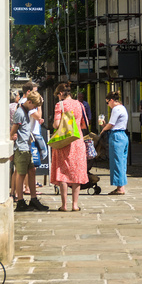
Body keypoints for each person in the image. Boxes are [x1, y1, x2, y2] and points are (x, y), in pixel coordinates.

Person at [51, 82, 88, 212]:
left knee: (63, 173)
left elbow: (56, 125)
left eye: (58, 95)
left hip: (63, 142)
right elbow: (84, 124)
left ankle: (64, 205)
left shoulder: (60, 105)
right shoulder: (80, 104)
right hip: (77, 142)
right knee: (76, 173)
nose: (58, 97)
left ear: (61, 93)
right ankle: (75, 205)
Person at [11, 91, 49, 212]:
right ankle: (20, 201)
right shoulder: (20, 113)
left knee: (32, 171)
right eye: (34, 106)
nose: (35, 109)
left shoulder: (26, 112)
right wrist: (11, 148)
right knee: (21, 174)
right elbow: (13, 131)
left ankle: (33, 199)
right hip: (21, 148)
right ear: (29, 102)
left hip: (28, 146)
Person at [98, 91, 129, 194]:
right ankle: (121, 186)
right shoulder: (123, 108)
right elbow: (115, 124)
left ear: (111, 100)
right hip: (123, 135)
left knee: (116, 162)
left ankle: (120, 188)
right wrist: (105, 125)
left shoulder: (116, 109)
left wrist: (103, 130)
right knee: (122, 162)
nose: (108, 105)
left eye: (107, 103)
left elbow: (111, 124)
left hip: (116, 136)